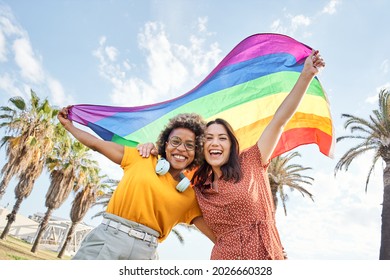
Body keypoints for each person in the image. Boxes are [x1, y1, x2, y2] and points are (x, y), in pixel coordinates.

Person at [139, 49, 325, 260]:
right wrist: (153, 151)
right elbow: (163, 181)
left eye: (222, 138)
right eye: (208, 138)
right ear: (202, 147)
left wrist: (306, 76)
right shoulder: (199, 190)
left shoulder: (252, 160)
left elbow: (279, 121)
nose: (215, 143)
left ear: (231, 145)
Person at [57, 109, 215, 260]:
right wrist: (68, 126)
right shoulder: (142, 157)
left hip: (145, 255)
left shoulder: (189, 196)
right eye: (175, 141)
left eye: (189, 145)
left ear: (196, 152)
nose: (181, 148)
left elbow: (218, 236)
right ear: (165, 144)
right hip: (108, 241)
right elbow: (96, 144)